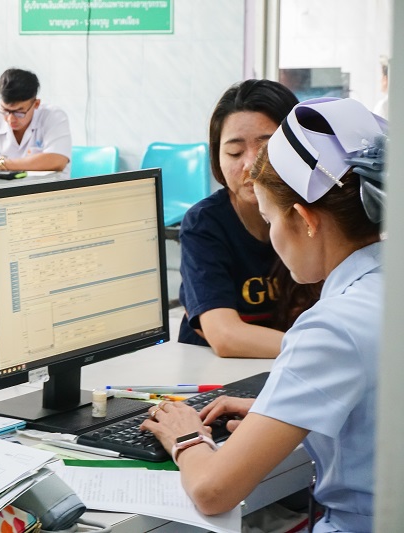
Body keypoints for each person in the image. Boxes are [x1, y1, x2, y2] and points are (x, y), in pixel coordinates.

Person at [142, 97, 386, 532]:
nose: (269, 234)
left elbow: (213, 491)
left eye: (271, 218)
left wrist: (185, 435)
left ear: (305, 219)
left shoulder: (332, 327)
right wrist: (282, 409)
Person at [178, 79, 320, 357]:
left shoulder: (317, 212)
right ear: (217, 157)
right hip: (217, 375)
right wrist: (319, 353)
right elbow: (225, 336)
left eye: (266, 148)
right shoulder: (205, 223)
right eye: (234, 152)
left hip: (291, 368)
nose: (251, 165)